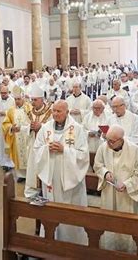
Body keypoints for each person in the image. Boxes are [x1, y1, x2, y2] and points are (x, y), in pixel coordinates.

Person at [25, 100, 89, 245]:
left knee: (70, 214)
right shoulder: (45, 128)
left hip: (70, 181)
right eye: (53, 111)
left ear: (67, 112)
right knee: (51, 211)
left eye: (59, 111)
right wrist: (46, 149)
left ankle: (72, 244)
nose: (55, 114)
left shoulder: (77, 129)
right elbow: (36, 149)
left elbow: (84, 156)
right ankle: (50, 241)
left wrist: (64, 150)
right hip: (51, 178)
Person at [93, 125, 138, 251]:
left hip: (127, 195)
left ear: (121, 139)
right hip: (109, 191)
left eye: (111, 141)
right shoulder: (103, 147)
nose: (108, 144)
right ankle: (109, 249)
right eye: (107, 140)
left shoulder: (135, 150)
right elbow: (97, 165)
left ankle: (128, 251)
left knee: (127, 225)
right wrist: (105, 173)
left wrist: (127, 184)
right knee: (109, 222)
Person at [2, 86, 32, 181]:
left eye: (19, 99)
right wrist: (11, 128)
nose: (17, 101)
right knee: (18, 155)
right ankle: (20, 175)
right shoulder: (11, 110)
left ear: (23, 98)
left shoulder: (29, 108)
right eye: (15, 99)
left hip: (27, 136)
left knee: (28, 155)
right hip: (16, 137)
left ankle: (29, 175)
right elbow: (5, 123)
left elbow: (33, 120)